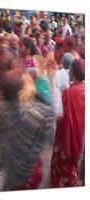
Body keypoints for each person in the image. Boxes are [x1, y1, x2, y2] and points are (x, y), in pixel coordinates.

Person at [0, 68, 54, 190]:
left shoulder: (5, 108)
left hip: (12, 167)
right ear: (21, 93)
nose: (32, 80)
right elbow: (50, 121)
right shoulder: (40, 113)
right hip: (29, 171)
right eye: (28, 81)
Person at [50, 59, 85, 187]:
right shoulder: (84, 89)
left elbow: (60, 117)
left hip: (67, 137)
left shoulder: (69, 94)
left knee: (63, 162)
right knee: (74, 162)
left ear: (72, 72)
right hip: (80, 136)